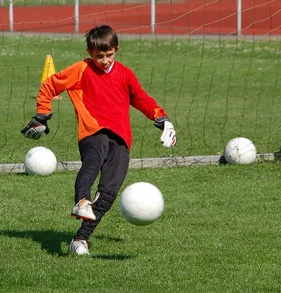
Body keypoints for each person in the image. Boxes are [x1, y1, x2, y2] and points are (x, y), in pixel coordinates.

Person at [21, 25, 177, 255]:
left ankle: (80, 239)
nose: (104, 61)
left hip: (121, 140)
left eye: (109, 55)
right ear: (89, 52)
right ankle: (81, 200)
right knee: (91, 164)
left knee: (110, 191)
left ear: (116, 49)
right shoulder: (81, 69)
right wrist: (42, 114)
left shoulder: (125, 73)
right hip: (93, 132)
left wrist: (161, 118)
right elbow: (50, 85)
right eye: (98, 56)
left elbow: (141, 98)